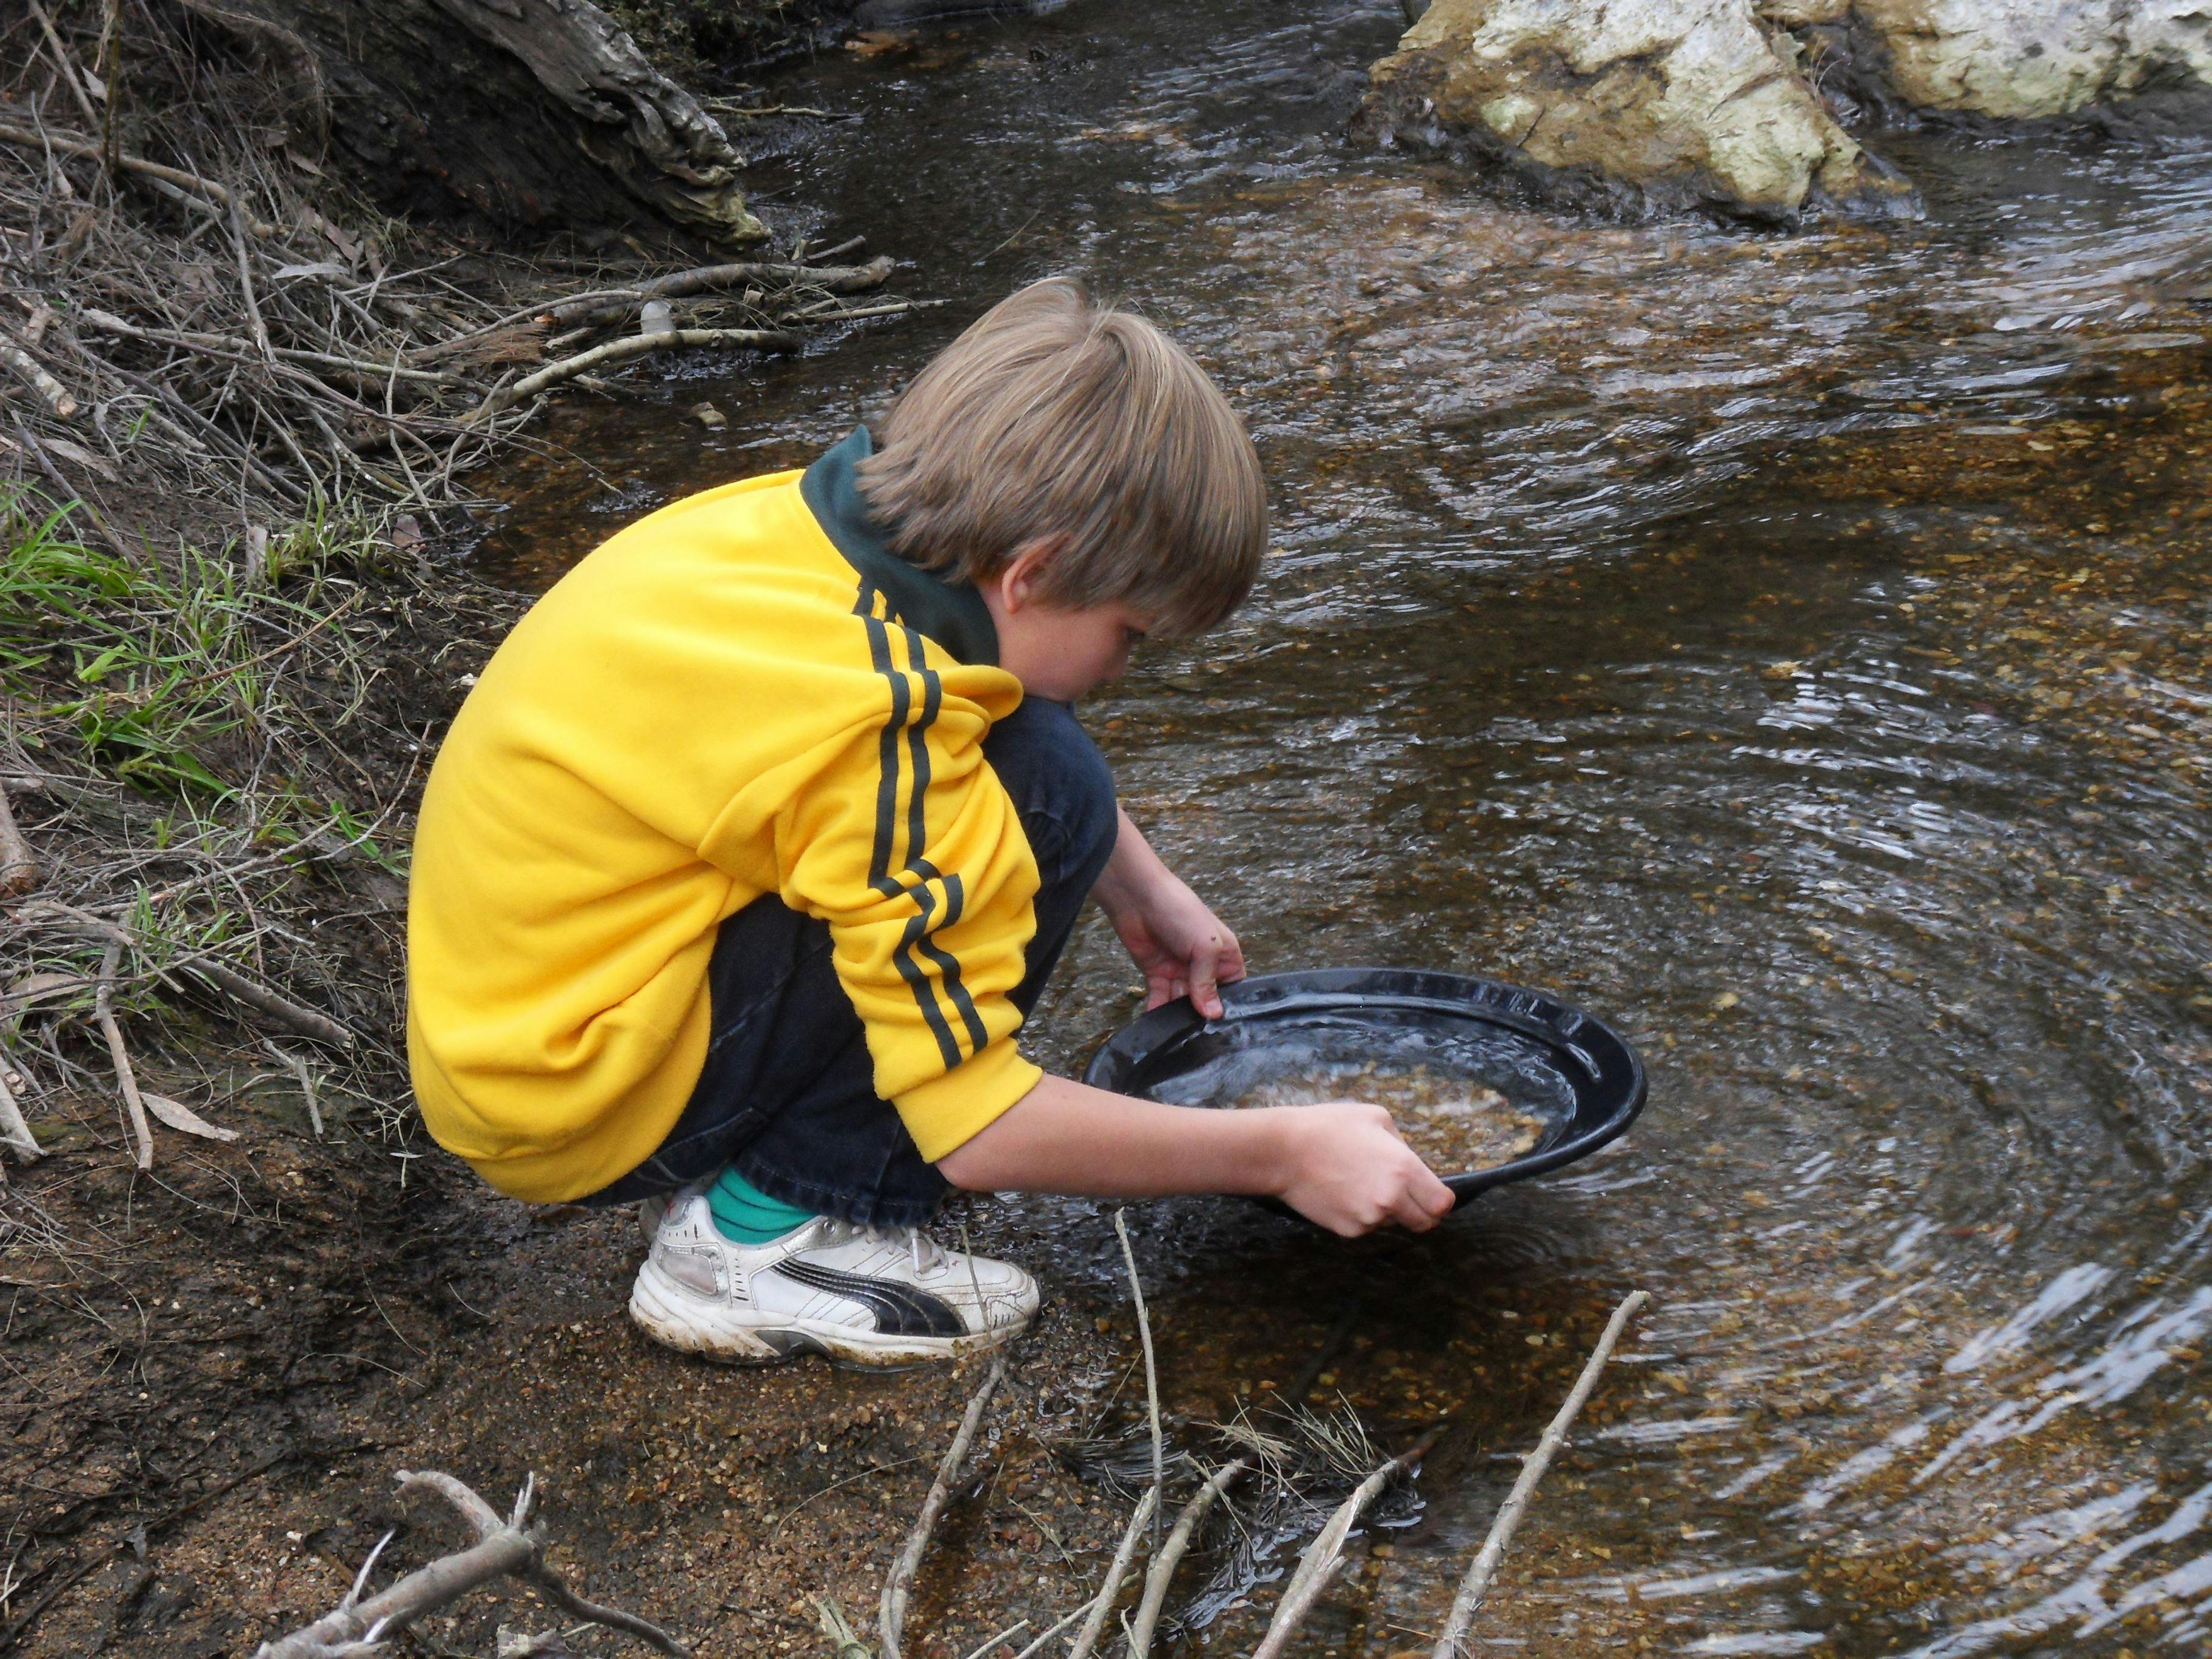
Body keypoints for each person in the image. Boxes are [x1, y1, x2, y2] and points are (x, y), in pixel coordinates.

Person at [406, 278, 1455, 1368]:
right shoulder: (885, 736)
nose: (1124, 669)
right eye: (1132, 634)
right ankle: (759, 1239)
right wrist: (1280, 1151)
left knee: (1045, 770)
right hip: (576, 1100)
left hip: (515, 1033)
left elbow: (917, 742)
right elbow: (972, 1124)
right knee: (1031, 796)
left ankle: (753, 1166)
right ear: (1034, 574)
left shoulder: (803, 525)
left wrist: (1138, 883)